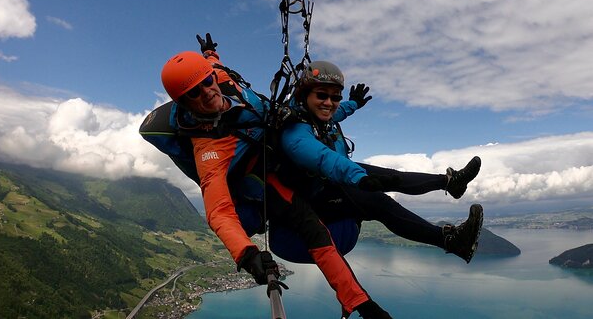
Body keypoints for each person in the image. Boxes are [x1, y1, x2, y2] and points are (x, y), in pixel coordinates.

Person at [145, 36, 395, 318]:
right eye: (194, 93)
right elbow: (218, 211)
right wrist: (246, 254)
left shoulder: (222, 79)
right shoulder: (207, 149)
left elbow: (214, 66)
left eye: (206, 81)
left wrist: (209, 53)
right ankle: (362, 304)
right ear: (183, 102)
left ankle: (359, 299)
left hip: (281, 152)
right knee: (313, 229)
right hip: (267, 178)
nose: (206, 92)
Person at [278, 60, 485, 272]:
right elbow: (325, 159)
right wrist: (361, 179)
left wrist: (353, 104)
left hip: (328, 183)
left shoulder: (315, 117)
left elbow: (335, 112)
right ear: (304, 95)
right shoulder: (295, 136)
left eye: (335, 96)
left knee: (392, 176)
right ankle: (451, 241)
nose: (329, 102)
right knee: (379, 203)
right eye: (322, 95)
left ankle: (450, 183)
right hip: (310, 204)